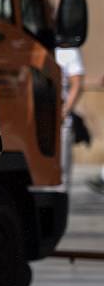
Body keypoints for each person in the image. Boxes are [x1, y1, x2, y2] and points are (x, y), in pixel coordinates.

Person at [54, 45, 85, 191]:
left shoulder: (68, 50)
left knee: (61, 176)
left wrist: (64, 112)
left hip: (60, 121)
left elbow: (77, 84)